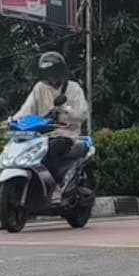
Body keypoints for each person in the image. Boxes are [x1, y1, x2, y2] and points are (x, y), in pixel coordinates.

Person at [12, 51, 89, 198]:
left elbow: (82, 114)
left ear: (61, 72)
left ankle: (56, 186)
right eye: (48, 73)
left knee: (50, 149)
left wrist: (66, 111)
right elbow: (26, 109)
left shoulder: (74, 89)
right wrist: (13, 120)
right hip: (40, 136)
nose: (51, 77)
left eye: (53, 72)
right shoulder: (40, 88)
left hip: (65, 135)